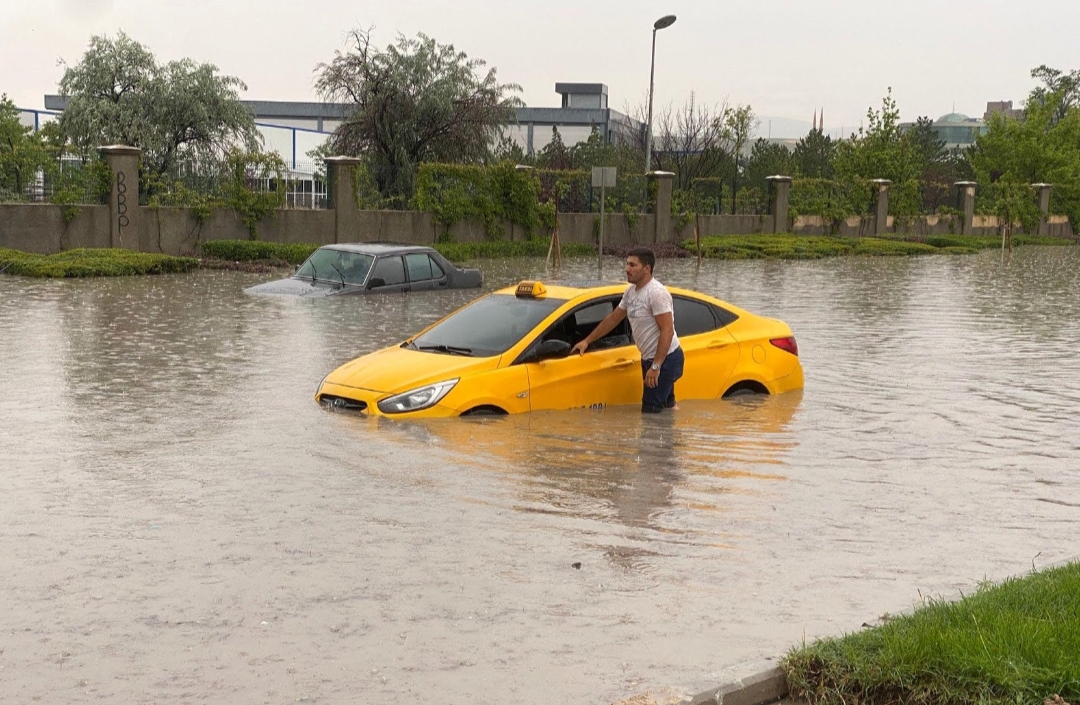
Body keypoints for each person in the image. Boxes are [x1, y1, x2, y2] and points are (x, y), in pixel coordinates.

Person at [571, 247, 684, 413]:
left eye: (632, 265)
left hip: (665, 359)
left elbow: (667, 330)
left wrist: (656, 367)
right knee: (667, 408)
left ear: (647, 269)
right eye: (627, 264)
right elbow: (614, 318)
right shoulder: (631, 292)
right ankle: (676, 436)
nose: (627, 269)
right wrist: (587, 341)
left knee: (650, 414)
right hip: (651, 358)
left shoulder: (657, 294)